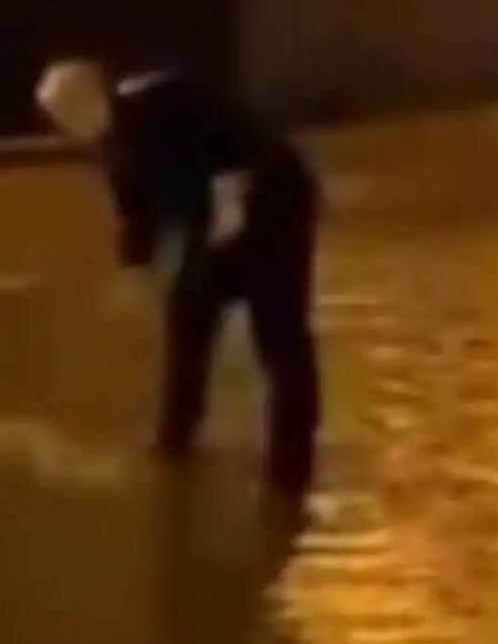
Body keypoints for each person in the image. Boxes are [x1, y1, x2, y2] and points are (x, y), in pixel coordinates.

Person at [35, 57, 323, 496]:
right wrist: (133, 273)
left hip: (272, 199)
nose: (66, 126)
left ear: (95, 94)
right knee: (188, 316)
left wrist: (226, 217)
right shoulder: (111, 145)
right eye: (59, 118)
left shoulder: (161, 103)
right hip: (213, 216)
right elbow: (136, 214)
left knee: (279, 334)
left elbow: (238, 147)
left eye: (68, 112)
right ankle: (175, 445)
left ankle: (290, 469)